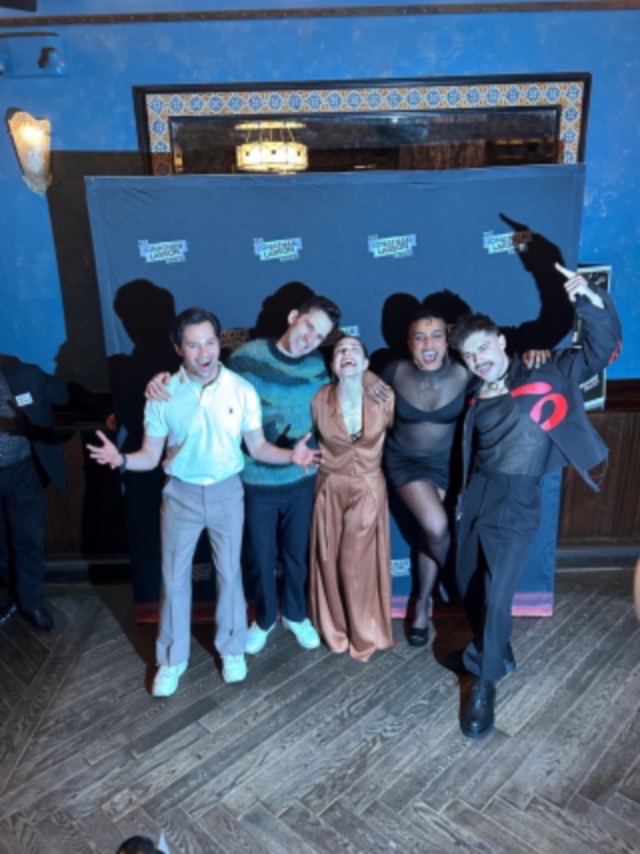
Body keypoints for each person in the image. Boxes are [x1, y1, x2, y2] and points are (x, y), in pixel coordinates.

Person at [87, 307, 319, 697]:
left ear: (219, 343)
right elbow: (150, 455)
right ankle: (171, 659)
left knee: (230, 574)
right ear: (179, 348)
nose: (204, 352)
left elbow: (258, 447)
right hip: (180, 494)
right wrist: (122, 459)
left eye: (210, 342)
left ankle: (232, 650)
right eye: (193, 345)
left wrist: (291, 456)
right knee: (174, 578)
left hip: (228, 492)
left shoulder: (240, 389)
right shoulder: (163, 393)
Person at [448, 263, 622, 740]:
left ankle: (485, 682)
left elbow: (602, 349)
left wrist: (589, 299)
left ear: (500, 342)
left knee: (498, 593)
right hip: (478, 494)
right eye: (469, 354)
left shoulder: (547, 368)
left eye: (483, 347)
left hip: (518, 497)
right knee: (469, 583)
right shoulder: (474, 391)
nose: (478, 359)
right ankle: (493, 649)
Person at [381, 304, 472, 646]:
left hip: (446, 464)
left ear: (447, 340)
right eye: (420, 337)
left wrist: (536, 353)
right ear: (409, 343)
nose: (428, 343)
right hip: (405, 461)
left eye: (436, 335)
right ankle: (462, 585)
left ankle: (422, 602)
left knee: (429, 533)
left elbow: (502, 374)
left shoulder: (466, 372)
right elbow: (359, 385)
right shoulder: (394, 371)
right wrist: (367, 379)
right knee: (435, 526)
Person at [309, 335, 395, 661]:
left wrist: (367, 378)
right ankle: (336, 631)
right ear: (332, 364)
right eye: (340, 350)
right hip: (329, 486)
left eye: (354, 350)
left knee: (355, 561)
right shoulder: (319, 398)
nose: (347, 354)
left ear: (366, 362)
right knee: (328, 560)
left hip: (369, 487)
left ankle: (364, 634)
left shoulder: (384, 396)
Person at [0, 356, 71, 632]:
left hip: (22, 473)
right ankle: (14, 595)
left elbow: (66, 395)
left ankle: (31, 603)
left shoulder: (24, 375)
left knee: (29, 539)